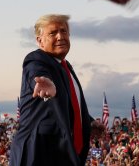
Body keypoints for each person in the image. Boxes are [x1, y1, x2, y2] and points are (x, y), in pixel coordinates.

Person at [10, 14, 94, 166]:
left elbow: (69, 104)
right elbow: (36, 73)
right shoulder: (36, 59)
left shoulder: (67, 67)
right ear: (40, 41)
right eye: (53, 33)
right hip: (37, 154)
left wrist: (89, 122)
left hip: (64, 155)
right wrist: (45, 81)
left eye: (64, 31)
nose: (60, 36)